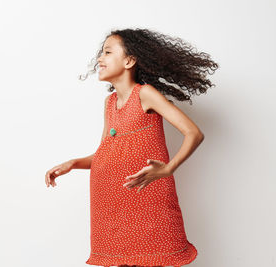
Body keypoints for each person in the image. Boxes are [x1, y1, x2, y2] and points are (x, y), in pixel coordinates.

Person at [45, 28, 219, 267]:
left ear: (129, 60)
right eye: (101, 53)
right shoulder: (109, 103)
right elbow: (106, 151)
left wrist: (169, 168)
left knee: (150, 260)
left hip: (144, 201)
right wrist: (73, 164)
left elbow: (193, 133)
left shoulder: (145, 94)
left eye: (107, 52)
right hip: (113, 204)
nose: (99, 59)